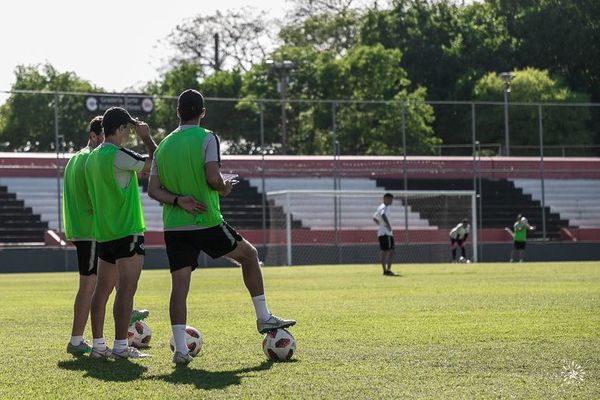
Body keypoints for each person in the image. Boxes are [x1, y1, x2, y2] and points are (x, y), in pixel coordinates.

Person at [148, 89, 296, 365]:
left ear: (178, 112)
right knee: (250, 256)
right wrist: (224, 187)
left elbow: (153, 189)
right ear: (202, 113)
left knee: (179, 286)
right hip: (205, 219)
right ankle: (263, 317)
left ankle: (181, 350)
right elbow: (212, 176)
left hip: (175, 226)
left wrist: (179, 201)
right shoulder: (207, 137)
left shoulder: (164, 146)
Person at [63, 117, 149, 355]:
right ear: (93, 136)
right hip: (94, 230)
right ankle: (81, 339)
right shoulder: (92, 158)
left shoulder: (76, 159)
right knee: (94, 287)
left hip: (86, 230)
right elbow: (96, 195)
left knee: (97, 287)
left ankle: (87, 340)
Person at [85, 107, 156, 359]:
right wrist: (147, 138)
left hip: (104, 233)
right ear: (122, 128)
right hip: (127, 231)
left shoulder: (91, 157)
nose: (130, 132)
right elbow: (157, 164)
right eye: (128, 128)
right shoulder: (118, 154)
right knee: (126, 290)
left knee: (101, 291)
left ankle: (98, 345)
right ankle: (120, 346)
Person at [372, 193, 397, 276]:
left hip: (381, 232)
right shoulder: (384, 207)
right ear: (386, 199)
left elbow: (374, 218)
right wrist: (388, 225)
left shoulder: (380, 207)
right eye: (390, 199)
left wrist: (380, 225)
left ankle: (385, 270)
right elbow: (383, 214)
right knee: (390, 251)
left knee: (384, 251)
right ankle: (388, 270)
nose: (391, 201)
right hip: (386, 233)